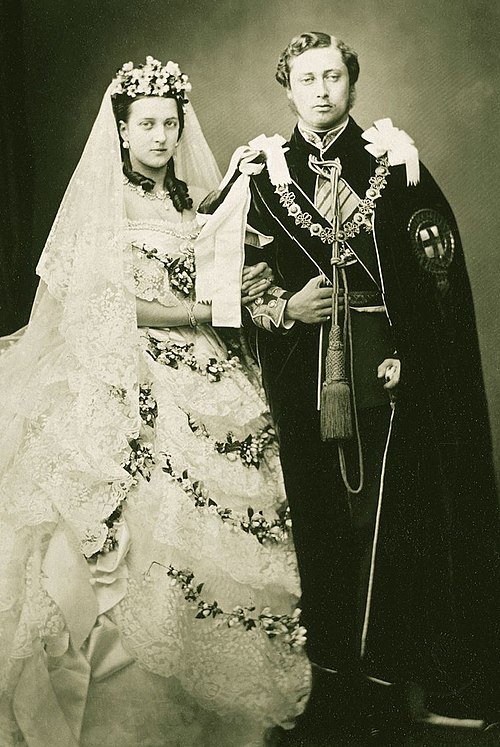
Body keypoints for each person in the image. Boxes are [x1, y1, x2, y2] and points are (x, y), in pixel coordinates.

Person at [198, 31, 500, 742]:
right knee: (317, 521)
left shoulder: (396, 164)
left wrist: (415, 359)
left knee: (394, 526)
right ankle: (328, 682)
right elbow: (218, 275)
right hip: (300, 371)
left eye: (334, 76)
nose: (323, 90)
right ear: (289, 88)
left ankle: (395, 678)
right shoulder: (261, 175)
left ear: (352, 84)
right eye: (308, 79)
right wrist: (280, 308)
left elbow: (437, 283)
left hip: (388, 375)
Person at [0, 56, 310, 747]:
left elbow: (229, 280)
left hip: (205, 367)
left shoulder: (198, 202)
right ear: (122, 130)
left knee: (220, 512)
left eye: (170, 123)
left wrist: (253, 288)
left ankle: (209, 689)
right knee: (133, 516)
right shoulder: (105, 204)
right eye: (147, 124)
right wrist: (197, 311)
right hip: (130, 365)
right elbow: (107, 302)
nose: (162, 136)